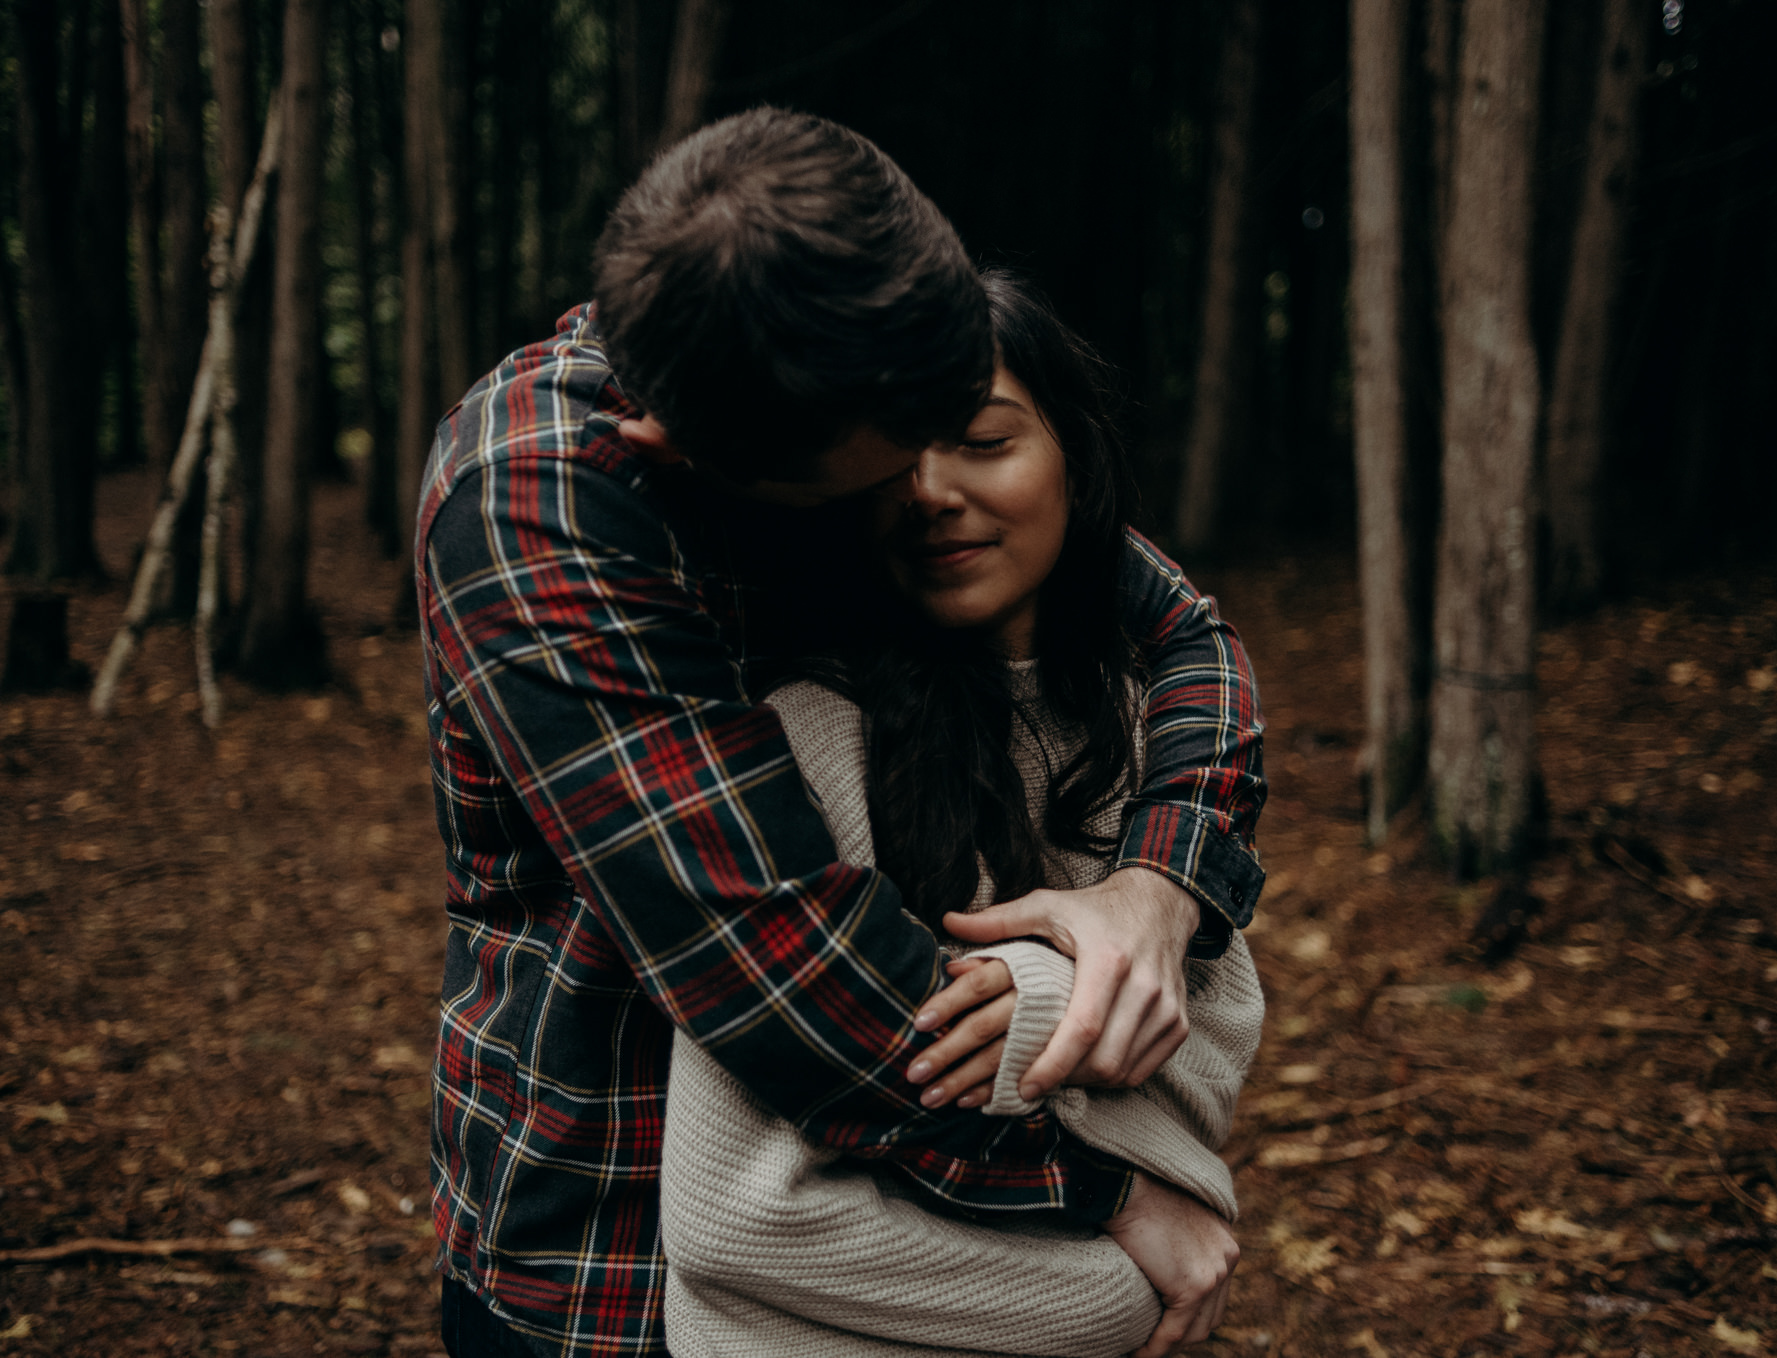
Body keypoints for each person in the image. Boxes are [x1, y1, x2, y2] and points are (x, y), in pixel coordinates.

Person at [416, 109, 1267, 1358]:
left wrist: (1160, 883)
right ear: (694, 451)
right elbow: (788, 976)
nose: (927, 490)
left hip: (924, 1239)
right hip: (605, 1243)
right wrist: (1112, 1194)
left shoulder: (852, 363)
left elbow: (1187, 634)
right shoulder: (538, 509)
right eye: (888, 467)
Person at [659, 269, 1267, 1358]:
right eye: (891, 458)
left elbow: (1209, 1059)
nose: (929, 488)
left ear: (1076, 462)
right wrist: (1108, 1295)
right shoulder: (804, 739)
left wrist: (1037, 991)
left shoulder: (1151, 733)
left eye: (985, 440)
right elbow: (738, 1217)